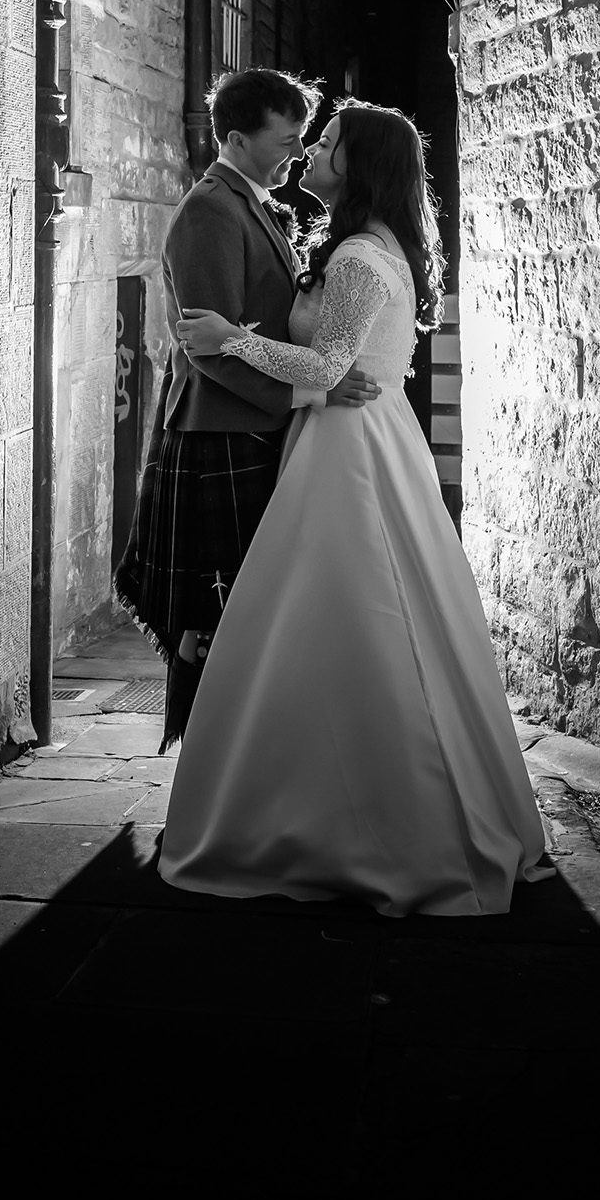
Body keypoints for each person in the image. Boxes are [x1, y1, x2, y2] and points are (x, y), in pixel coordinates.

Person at [161, 98, 552, 916]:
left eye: (329, 142)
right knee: (342, 618)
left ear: (360, 166)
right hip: (355, 437)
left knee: (347, 613)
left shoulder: (361, 258)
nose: (310, 150)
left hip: (350, 452)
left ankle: (372, 821)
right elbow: (336, 368)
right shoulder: (365, 248)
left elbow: (327, 367)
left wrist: (229, 338)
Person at [115, 69, 380, 746]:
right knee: (219, 618)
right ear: (236, 139)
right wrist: (310, 389)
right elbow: (208, 347)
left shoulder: (253, 202)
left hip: (252, 429)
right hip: (220, 434)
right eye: (287, 140)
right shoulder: (210, 209)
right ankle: (213, 756)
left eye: (304, 139)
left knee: (250, 610)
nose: (298, 152)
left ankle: (241, 759)